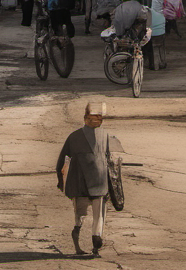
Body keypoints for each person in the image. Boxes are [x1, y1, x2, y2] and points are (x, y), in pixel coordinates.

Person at [56, 101, 113, 257]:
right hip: (94, 183)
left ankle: (86, 243)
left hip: (85, 184)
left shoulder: (76, 137)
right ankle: (93, 241)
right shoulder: (102, 135)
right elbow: (108, 158)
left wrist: (61, 182)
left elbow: (61, 161)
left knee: (82, 216)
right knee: (95, 215)